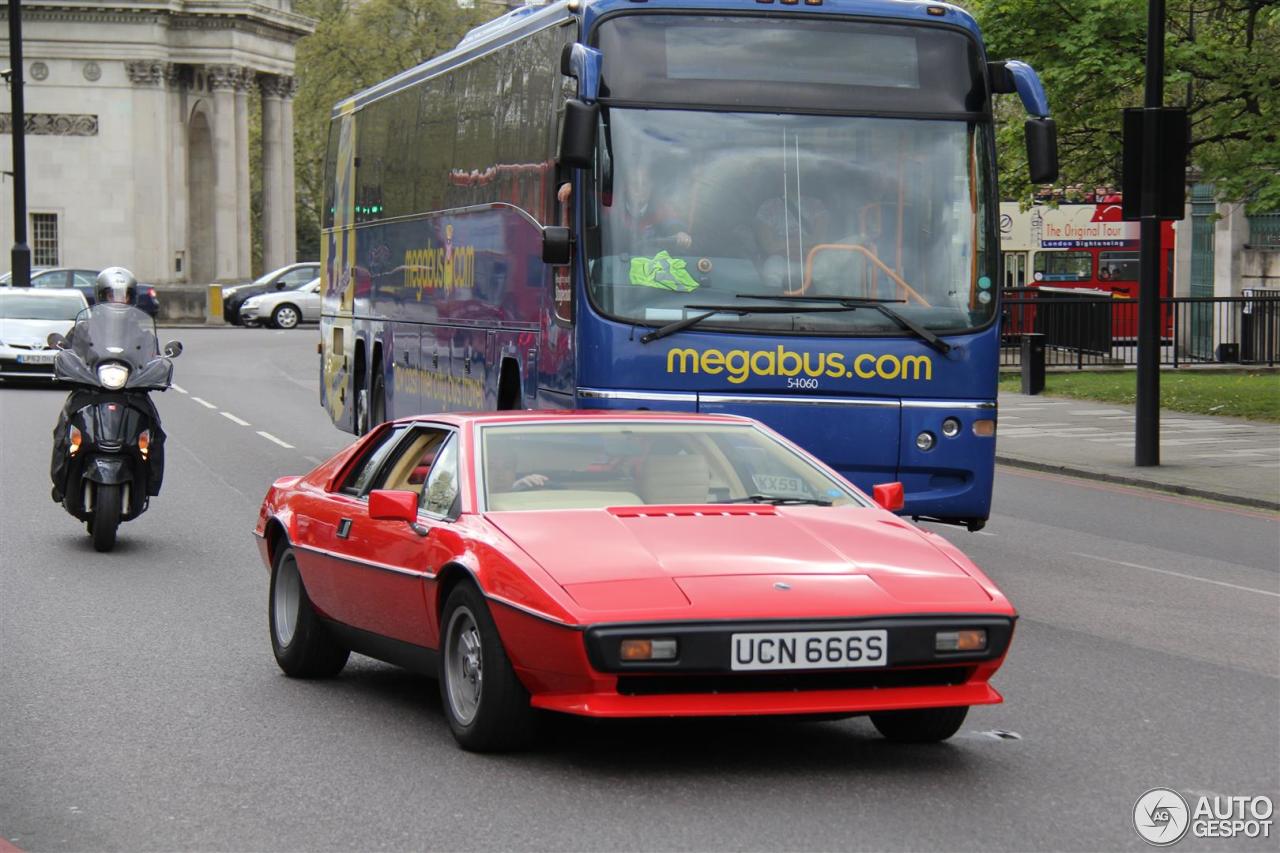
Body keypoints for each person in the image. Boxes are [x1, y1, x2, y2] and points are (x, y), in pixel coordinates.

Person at [50, 267, 167, 502]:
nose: (118, 300)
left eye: (124, 295)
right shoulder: (84, 328)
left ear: (132, 297)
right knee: (66, 427)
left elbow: (152, 357)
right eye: (112, 295)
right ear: (101, 296)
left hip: (131, 391)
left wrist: (157, 368)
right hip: (91, 388)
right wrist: (67, 361)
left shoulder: (142, 333)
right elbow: (72, 351)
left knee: (154, 431)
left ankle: (150, 481)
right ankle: (61, 480)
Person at [751, 195, 831, 293]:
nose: (792, 179)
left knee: (826, 270)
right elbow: (769, 246)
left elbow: (819, 242)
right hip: (781, 259)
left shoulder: (817, 205)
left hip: (811, 259)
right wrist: (802, 242)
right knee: (772, 268)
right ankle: (772, 305)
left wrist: (784, 243)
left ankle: (827, 304)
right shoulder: (768, 207)